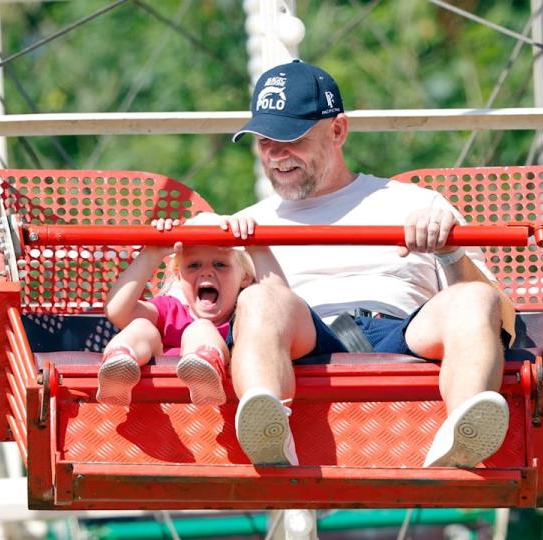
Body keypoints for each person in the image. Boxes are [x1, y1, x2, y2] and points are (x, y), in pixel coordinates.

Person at [222, 60, 517, 468]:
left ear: (338, 130)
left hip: (404, 331)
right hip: (304, 339)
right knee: (258, 300)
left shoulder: (416, 203)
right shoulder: (246, 225)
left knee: (475, 298)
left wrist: (448, 252)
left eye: (293, 138)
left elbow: (505, 322)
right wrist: (165, 246)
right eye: (264, 141)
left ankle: (463, 433)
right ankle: (267, 425)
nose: (276, 155)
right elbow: (192, 306)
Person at [97, 217, 287, 408]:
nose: (206, 272)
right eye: (194, 265)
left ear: (245, 277)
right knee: (140, 326)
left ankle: (203, 366)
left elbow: (279, 306)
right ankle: (120, 363)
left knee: (200, 329)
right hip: (158, 400)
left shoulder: (246, 322)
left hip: (209, 401)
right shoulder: (170, 311)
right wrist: (151, 253)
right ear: (179, 277)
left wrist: (258, 248)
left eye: (220, 264)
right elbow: (118, 311)